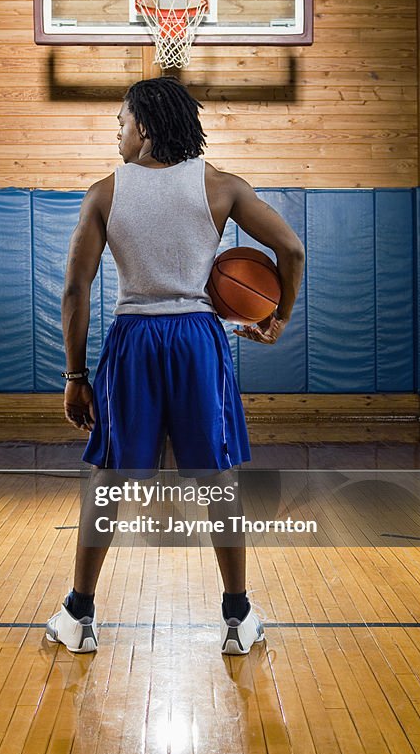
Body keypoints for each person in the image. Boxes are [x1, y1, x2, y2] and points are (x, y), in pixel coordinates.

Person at [46, 77, 305, 655]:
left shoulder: (104, 194)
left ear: (146, 128)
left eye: (121, 121)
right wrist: (277, 318)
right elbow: (291, 250)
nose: (117, 131)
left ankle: (79, 615)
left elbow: (74, 290)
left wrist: (75, 376)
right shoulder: (222, 188)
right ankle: (237, 619)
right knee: (216, 480)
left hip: (134, 337)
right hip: (196, 337)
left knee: (109, 480)